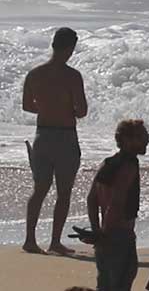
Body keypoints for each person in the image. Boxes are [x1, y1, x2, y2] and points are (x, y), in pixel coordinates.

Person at [22, 26, 88, 255]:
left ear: (53, 44)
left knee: (39, 189)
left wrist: (47, 106)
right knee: (64, 191)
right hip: (65, 136)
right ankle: (54, 242)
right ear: (70, 48)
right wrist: (65, 107)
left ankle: (30, 239)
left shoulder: (34, 74)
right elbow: (81, 111)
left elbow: (27, 106)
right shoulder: (72, 76)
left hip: (42, 135)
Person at [87, 119, 149, 291]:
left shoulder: (107, 163)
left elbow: (91, 199)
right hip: (120, 235)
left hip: (106, 234)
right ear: (127, 140)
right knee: (121, 283)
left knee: (105, 284)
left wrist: (96, 230)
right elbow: (116, 202)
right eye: (142, 136)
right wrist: (105, 235)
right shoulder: (129, 166)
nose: (147, 139)